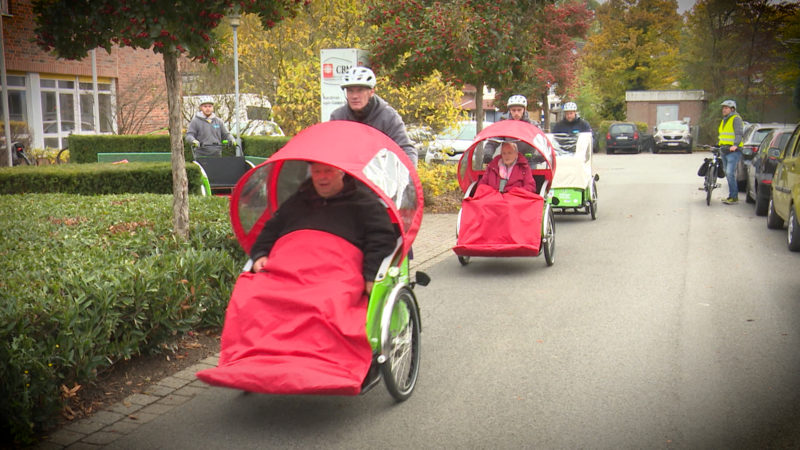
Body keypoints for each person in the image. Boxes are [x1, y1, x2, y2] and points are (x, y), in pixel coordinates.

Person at [249, 162, 397, 294]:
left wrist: (371, 274)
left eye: (328, 171)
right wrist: (260, 254)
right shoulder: (297, 201)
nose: (322, 177)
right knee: (252, 293)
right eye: (317, 172)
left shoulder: (365, 204)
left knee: (325, 298)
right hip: (288, 268)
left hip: (336, 273)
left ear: (341, 172)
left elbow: (381, 238)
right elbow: (272, 229)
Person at [329, 67, 417, 166]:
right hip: (348, 173)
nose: (354, 96)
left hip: (379, 175)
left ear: (371, 92)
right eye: (350, 91)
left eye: (360, 90)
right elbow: (330, 150)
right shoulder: (338, 117)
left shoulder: (388, 116)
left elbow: (405, 149)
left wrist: (409, 177)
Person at [483, 94, 538, 163]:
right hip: (510, 162)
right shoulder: (505, 126)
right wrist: (488, 154)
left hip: (529, 161)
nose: (516, 113)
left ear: (524, 109)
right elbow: (493, 141)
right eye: (513, 110)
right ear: (510, 110)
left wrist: (540, 155)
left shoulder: (533, 126)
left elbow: (542, 142)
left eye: (519, 110)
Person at [718, 99, 744, 204]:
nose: (723, 110)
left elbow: (739, 133)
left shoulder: (736, 119)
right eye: (723, 108)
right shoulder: (724, 120)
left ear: (732, 109)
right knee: (727, 173)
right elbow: (723, 135)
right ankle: (731, 196)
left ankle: (734, 197)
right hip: (724, 150)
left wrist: (735, 145)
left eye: (726, 108)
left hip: (733, 151)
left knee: (729, 173)